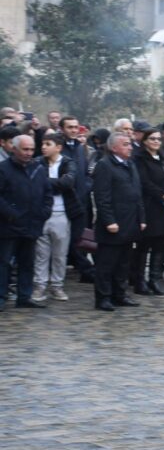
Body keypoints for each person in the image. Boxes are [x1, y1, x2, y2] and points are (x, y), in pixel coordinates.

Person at [92, 132, 146, 311]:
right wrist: (109, 221)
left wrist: (142, 218)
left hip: (130, 222)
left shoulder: (130, 164)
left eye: (130, 144)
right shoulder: (104, 165)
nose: (130, 147)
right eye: (125, 144)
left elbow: (137, 194)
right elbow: (102, 197)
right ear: (114, 147)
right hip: (113, 224)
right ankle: (103, 297)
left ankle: (119, 294)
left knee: (123, 262)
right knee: (107, 264)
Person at [0, 135, 53, 310]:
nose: (29, 153)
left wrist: (44, 212)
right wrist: (12, 215)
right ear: (14, 149)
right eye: (25, 149)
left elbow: (47, 193)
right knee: (4, 262)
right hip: (9, 226)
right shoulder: (3, 169)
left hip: (32, 224)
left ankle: (24, 296)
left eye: (31, 149)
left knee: (27, 262)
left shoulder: (38, 168)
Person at [32, 133, 82, 302]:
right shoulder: (37, 162)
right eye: (43, 144)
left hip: (62, 213)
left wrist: (45, 183)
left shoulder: (68, 163)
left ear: (58, 147)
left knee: (60, 253)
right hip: (42, 213)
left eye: (48, 144)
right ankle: (40, 285)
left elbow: (68, 183)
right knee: (41, 253)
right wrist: (54, 183)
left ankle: (57, 286)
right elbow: (34, 183)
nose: (43, 147)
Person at [132, 128, 164, 297]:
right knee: (144, 247)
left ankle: (154, 279)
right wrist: (162, 195)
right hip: (150, 207)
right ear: (144, 141)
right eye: (152, 139)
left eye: (158, 139)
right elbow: (144, 182)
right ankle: (139, 281)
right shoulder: (140, 159)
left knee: (160, 246)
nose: (156, 142)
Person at [59, 115, 94, 283]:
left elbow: (87, 173)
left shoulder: (80, 148)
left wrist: (86, 187)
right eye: (69, 127)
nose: (73, 130)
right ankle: (85, 269)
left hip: (82, 200)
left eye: (75, 127)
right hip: (63, 202)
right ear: (62, 129)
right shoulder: (57, 148)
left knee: (79, 237)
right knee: (67, 238)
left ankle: (84, 269)